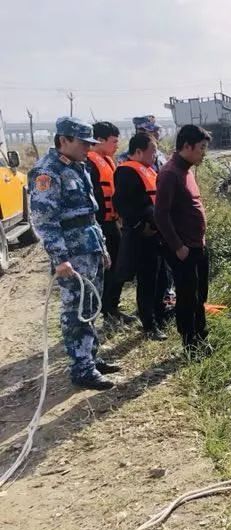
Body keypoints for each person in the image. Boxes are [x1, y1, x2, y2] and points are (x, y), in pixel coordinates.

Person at [27, 117, 119, 390]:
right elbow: (44, 220)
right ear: (63, 140)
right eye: (82, 143)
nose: (87, 148)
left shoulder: (79, 167)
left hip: (89, 248)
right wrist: (60, 258)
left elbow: (89, 215)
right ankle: (81, 369)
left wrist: (101, 247)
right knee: (75, 311)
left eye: (90, 143)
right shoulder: (47, 172)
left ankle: (91, 357)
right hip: (71, 255)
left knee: (90, 307)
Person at [155, 125, 212, 354]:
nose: (204, 153)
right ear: (187, 146)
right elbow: (160, 214)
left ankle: (200, 335)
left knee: (200, 294)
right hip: (184, 249)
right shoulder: (170, 173)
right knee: (187, 297)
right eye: (201, 148)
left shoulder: (186, 170)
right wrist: (178, 246)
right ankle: (190, 344)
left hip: (198, 245)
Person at [114, 133, 168, 340]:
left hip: (157, 234)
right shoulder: (127, 172)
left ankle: (159, 314)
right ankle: (149, 325)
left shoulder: (147, 169)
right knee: (147, 281)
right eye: (152, 151)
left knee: (161, 277)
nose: (155, 155)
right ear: (138, 151)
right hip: (143, 237)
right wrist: (140, 226)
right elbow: (124, 205)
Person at [86, 121, 135, 328]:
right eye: (114, 141)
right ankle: (106, 311)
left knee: (118, 267)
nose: (117, 145)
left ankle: (112, 308)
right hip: (101, 225)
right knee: (108, 270)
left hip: (113, 222)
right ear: (100, 140)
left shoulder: (107, 160)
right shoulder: (89, 164)